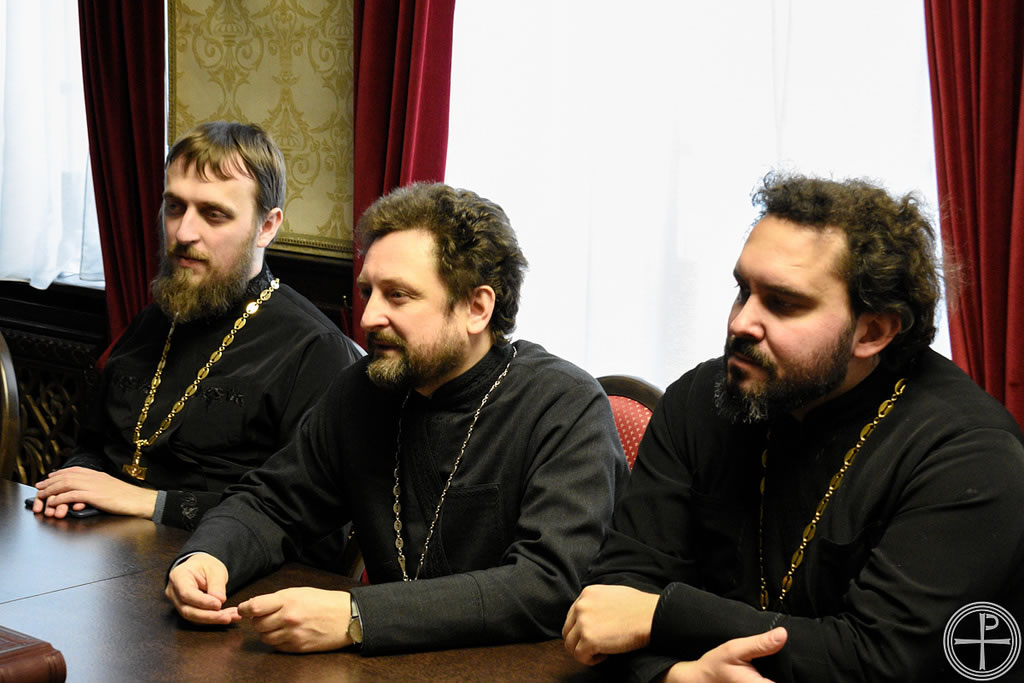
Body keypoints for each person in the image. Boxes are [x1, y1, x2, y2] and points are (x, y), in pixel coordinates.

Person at [563, 174, 1024, 681]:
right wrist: (674, 675)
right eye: (744, 290)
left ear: (872, 332)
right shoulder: (701, 397)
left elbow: (882, 659)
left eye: (782, 303)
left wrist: (667, 615)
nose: (741, 323)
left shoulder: (971, 453)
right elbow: (614, 600)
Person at [164, 182, 628, 655]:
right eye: (368, 292)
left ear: (476, 308)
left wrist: (359, 617)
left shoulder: (564, 405)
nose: (368, 317)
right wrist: (208, 556)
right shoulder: (363, 390)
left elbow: (548, 584)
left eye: (398, 295)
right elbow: (272, 503)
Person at [30, 121, 363, 530]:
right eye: (174, 207)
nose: (184, 233)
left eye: (213, 214)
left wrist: (150, 503)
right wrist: (72, 487)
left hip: (216, 562)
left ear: (267, 226)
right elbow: (95, 446)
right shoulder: (154, 319)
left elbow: (312, 520)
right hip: (94, 541)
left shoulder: (315, 349)